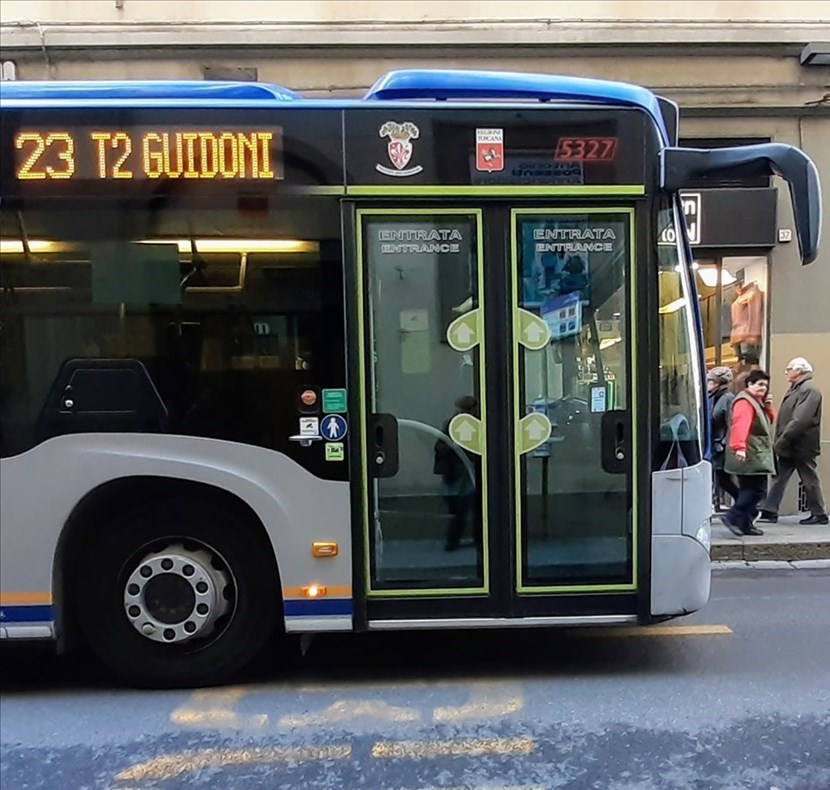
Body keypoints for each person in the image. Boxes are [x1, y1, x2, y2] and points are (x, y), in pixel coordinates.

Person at [758, 357, 827, 525]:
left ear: (799, 370)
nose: (787, 372)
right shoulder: (799, 389)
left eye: (789, 369)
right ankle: (769, 510)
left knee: (808, 477)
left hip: (800, 444)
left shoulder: (808, 390)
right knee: (780, 477)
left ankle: (819, 513)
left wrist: (783, 439)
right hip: (792, 443)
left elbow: (800, 419)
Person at [721, 369, 776, 537]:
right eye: (759, 384)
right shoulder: (745, 402)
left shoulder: (755, 402)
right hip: (752, 453)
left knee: (748, 489)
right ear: (749, 384)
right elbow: (740, 425)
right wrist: (740, 448)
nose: (763, 388)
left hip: (753, 452)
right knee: (757, 490)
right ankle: (733, 516)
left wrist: (767, 407)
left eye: (765, 386)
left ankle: (745, 524)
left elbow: (769, 422)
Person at [433, 396, 478, 551]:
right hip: (460, 472)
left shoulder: (454, 424)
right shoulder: (455, 425)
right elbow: (441, 447)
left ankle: (456, 541)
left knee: (464, 509)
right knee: (461, 509)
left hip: (460, 472)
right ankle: (454, 541)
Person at [707, 366, 739, 505]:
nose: (708, 384)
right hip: (713, 445)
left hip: (721, 446)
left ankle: (742, 502)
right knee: (721, 478)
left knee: (723, 479)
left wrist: (726, 444)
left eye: (711, 381)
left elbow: (731, 423)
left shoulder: (727, 399)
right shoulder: (712, 398)